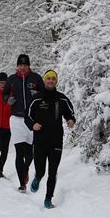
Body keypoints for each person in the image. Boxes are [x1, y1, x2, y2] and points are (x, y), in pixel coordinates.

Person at [25, 70, 75, 208]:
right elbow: (27, 115)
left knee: (53, 172)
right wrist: (32, 124)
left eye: (53, 78)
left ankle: (48, 199)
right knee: (41, 170)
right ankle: (38, 177)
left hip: (56, 141)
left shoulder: (62, 99)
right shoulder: (36, 98)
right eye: (48, 78)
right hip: (40, 141)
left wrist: (71, 120)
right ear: (44, 80)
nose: (51, 81)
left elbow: (70, 113)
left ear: (56, 81)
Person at [3, 54, 45, 193]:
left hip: (32, 119)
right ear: (17, 66)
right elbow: (5, 93)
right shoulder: (12, 79)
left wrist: (37, 95)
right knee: (19, 152)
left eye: (25, 65)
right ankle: (22, 184)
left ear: (28, 66)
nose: (22, 68)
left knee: (29, 152)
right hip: (16, 119)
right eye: (20, 65)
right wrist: (8, 100)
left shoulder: (36, 78)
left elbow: (45, 95)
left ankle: (26, 169)